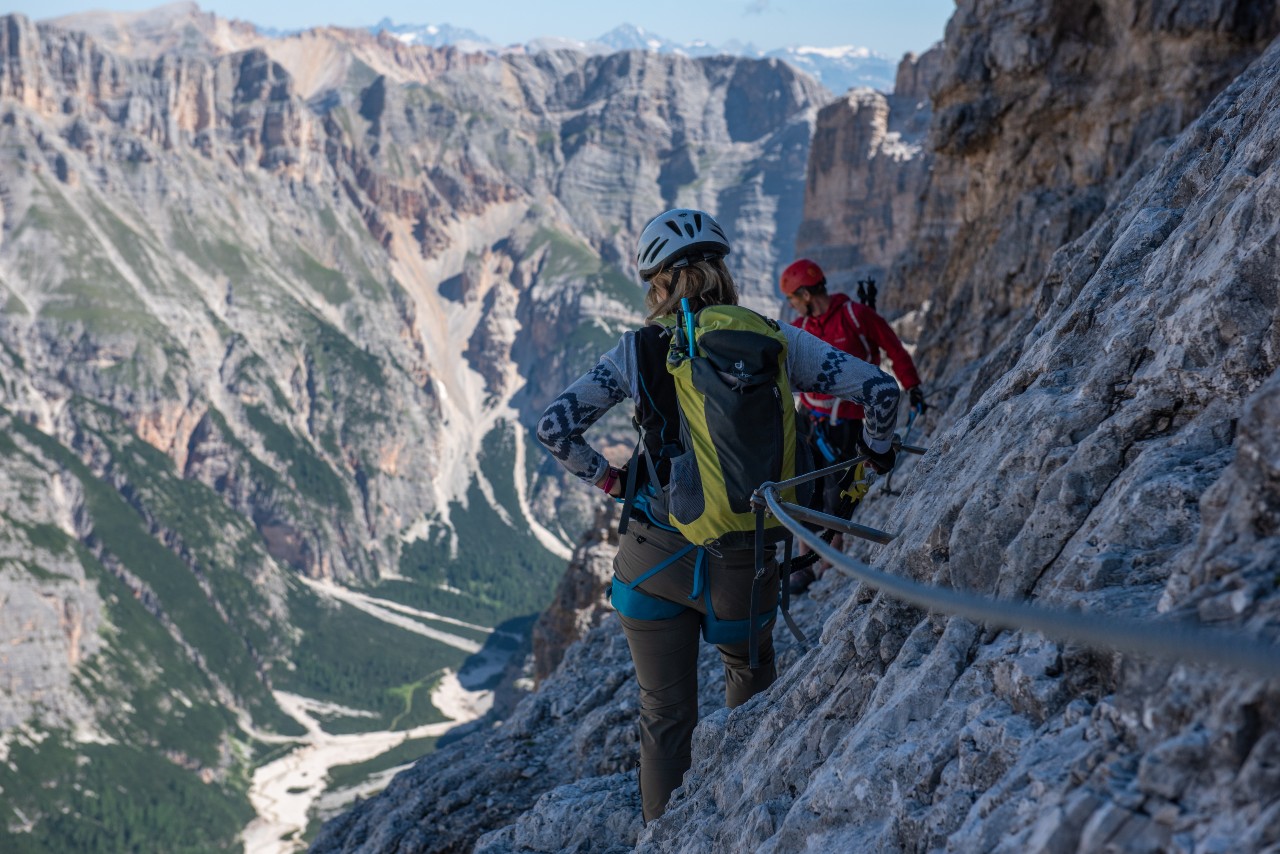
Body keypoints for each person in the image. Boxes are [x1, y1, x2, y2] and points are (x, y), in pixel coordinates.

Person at [536, 209, 901, 822]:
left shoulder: (638, 350)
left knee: (664, 716)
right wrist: (872, 464)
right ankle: (741, 825)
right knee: (750, 699)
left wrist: (614, 480)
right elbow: (881, 393)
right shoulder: (776, 339)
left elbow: (555, 428)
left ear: (658, 284)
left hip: (653, 556)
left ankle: (663, 836)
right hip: (745, 557)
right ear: (724, 273)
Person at [780, 258, 925, 593]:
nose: (790, 305)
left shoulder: (857, 317)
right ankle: (807, 565)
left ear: (803, 293)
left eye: (791, 297)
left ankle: (828, 567)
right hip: (810, 418)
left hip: (846, 423)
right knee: (802, 487)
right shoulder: (803, 325)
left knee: (837, 496)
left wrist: (912, 386)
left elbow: (894, 349)